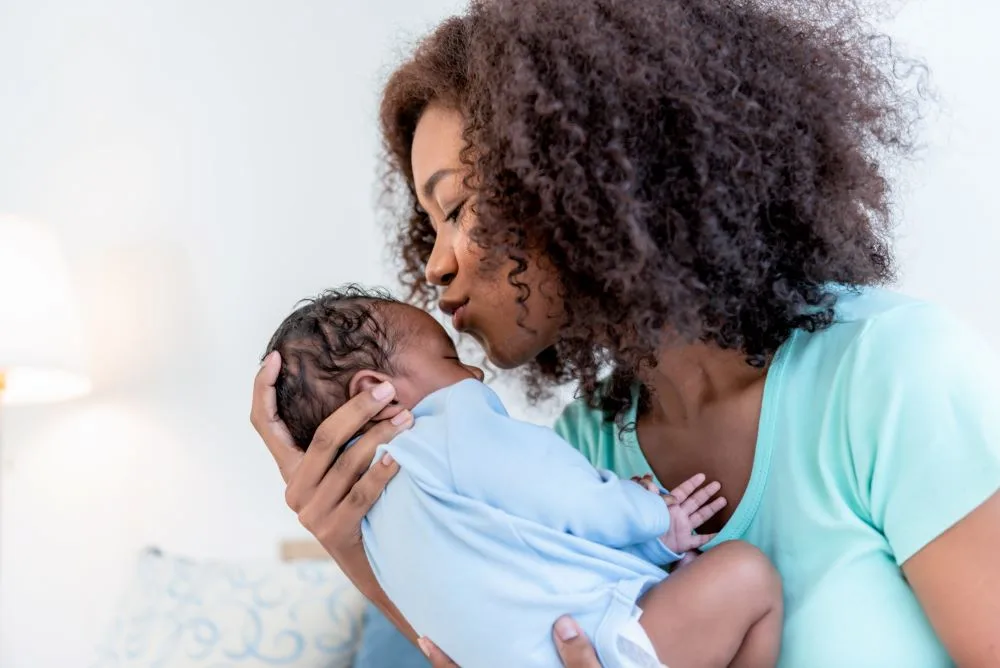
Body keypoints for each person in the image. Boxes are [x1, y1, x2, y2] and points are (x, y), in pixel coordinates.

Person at [251, 0, 1000, 665]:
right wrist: (354, 538)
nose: (435, 265)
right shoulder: (586, 450)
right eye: (430, 224)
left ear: (576, 178)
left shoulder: (892, 376)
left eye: (455, 210)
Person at [262, 286, 782, 667]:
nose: (473, 374)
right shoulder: (447, 430)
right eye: (449, 358)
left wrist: (656, 551)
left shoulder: (374, 523)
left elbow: (536, 552)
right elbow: (564, 496)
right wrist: (653, 517)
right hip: (599, 642)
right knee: (746, 574)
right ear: (376, 391)